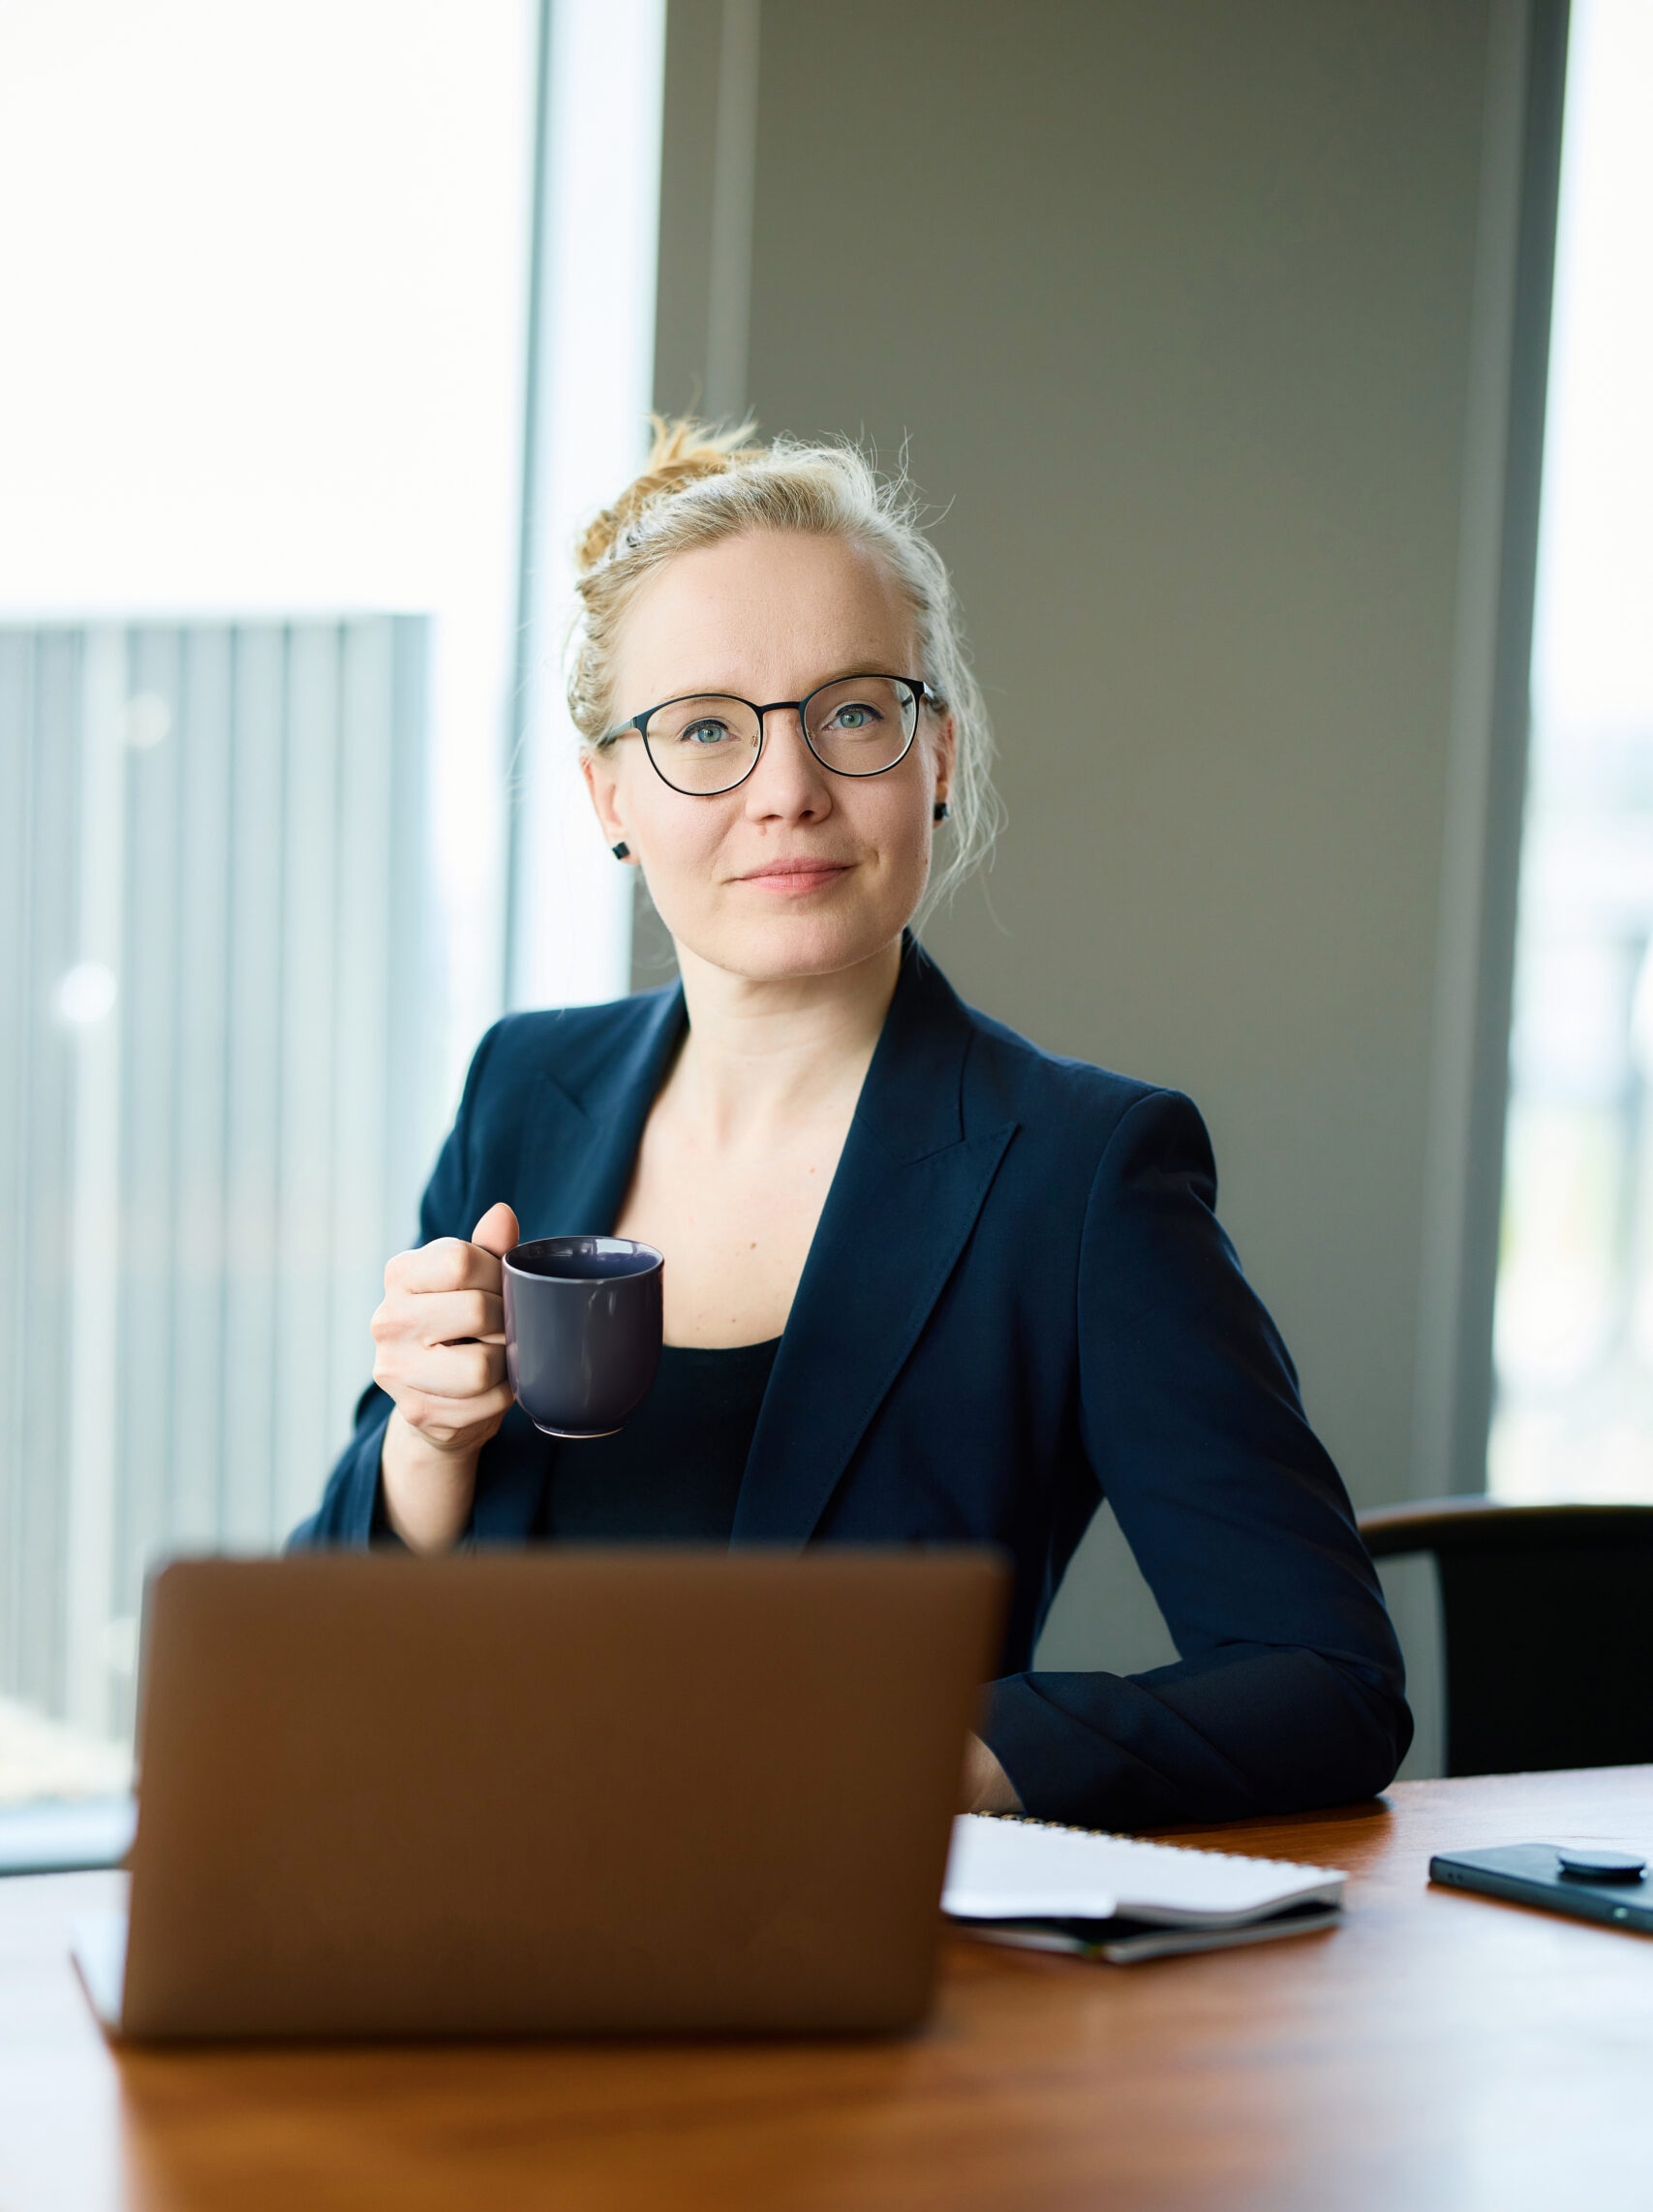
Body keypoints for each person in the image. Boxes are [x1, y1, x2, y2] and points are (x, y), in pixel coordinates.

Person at [297, 417, 1411, 1829]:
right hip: (452, 1888)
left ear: (934, 756)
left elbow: (1325, 1681)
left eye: (854, 713)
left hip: (824, 1960)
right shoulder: (523, 1085)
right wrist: (426, 1446)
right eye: (705, 728)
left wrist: (938, 1763)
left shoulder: (1079, 1173)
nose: (788, 790)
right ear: (610, 797)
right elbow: (321, 1644)